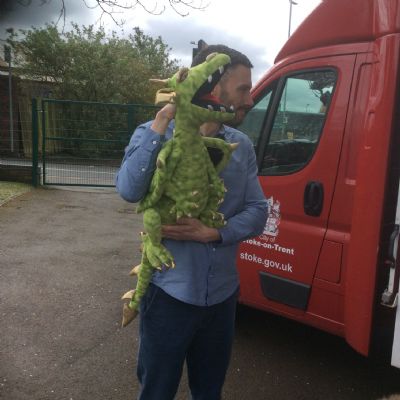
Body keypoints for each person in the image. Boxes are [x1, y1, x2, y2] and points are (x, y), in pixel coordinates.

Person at [115, 44, 268, 400]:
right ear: (213, 88)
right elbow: (128, 189)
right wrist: (161, 122)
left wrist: (214, 233)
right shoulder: (154, 133)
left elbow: (258, 210)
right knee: (157, 390)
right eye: (243, 89)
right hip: (168, 295)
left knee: (209, 391)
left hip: (222, 298)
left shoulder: (239, 145)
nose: (249, 98)